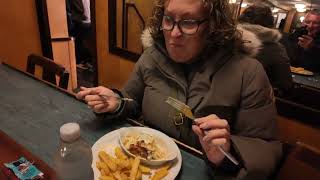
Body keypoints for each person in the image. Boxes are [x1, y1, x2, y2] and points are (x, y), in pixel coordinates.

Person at [77, 0, 282, 179]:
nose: (174, 33)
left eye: (188, 22)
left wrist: (228, 153)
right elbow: (132, 100)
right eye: (168, 20)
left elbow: (265, 149)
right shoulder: (151, 56)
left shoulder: (248, 72)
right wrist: (117, 102)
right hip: (146, 167)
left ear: (213, 26)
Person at [238, 4, 293, 94]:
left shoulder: (227, 39)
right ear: (270, 23)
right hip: (255, 99)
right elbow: (285, 84)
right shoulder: (276, 49)